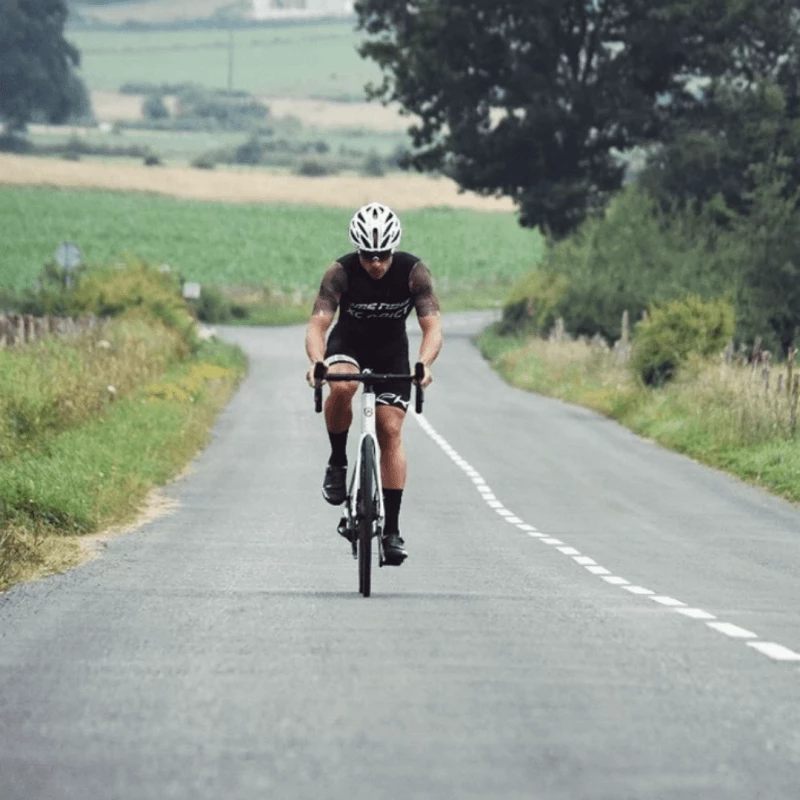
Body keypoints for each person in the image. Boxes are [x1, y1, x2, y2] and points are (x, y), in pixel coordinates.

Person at [305, 202, 442, 565]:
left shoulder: (414, 273)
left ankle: (392, 530)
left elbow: (432, 327)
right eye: (368, 256)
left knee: (389, 428)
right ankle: (338, 461)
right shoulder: (340, 272)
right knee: (342, 386)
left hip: (391, 352)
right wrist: (317, 361)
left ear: (393, 250)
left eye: (383, 255)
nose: (376, 263)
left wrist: (424, 364)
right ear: (358, 251)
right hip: (348, 344)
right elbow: (318, 324)